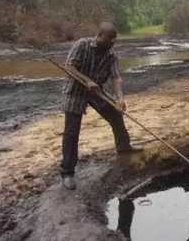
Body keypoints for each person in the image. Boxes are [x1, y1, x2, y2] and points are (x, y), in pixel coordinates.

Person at [61, 22, 142, 190]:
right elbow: (69, 67)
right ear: (99, 35)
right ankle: (67, 172)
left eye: (114, 40)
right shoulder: (82, 45)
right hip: (75, 91)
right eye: (109, 39)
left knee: (115, 114)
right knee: (71, 131)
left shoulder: (111, 55)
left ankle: (124, 147)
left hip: (96, 91)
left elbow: (116, 78)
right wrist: (86, 81)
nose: (112, 42)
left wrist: (119, 98)